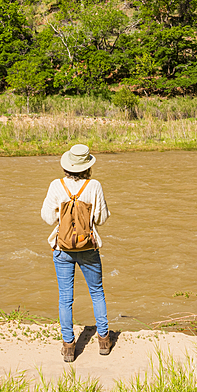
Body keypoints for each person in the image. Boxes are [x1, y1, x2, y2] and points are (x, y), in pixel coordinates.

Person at [41, 143, 113, 362]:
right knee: (97, 292)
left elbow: (47, 217)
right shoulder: (94, 186)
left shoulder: (56, 185)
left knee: (65, 297)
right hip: (88, 246)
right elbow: (101, 218)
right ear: (87, 166)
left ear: (67, 165)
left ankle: (69, 346)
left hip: (62, 247)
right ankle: (103, 341)